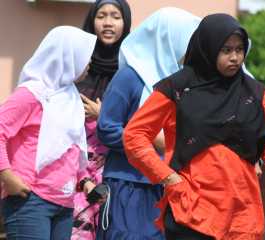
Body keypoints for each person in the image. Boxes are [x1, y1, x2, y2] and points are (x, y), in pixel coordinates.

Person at [123, 13, 265, 240]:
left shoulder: (257, 95)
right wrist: (168, 178)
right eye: (226, 50)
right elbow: (135, 134)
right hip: (190, 211)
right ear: (208, 48)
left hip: (242, 217)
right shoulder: (178, 89)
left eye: (239, 50)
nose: (235, 57)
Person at [96, 7, 201, 240]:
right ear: (168, 39)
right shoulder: (130, 76)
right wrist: (150, 142)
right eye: (186, 40)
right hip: (129, 183)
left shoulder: (176, 80)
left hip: (163, 183)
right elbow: (106, 127)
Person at [0, 26, 97, 240]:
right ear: (67, 57)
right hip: (30, 199)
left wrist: (84, 181)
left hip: (63, 204)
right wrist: (6, 175)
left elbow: (69, 147)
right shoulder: (32, 94)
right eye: (84, 56)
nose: (89, 63)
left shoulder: (70, 96)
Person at [72, 0, 131, 239]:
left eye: (116, 17)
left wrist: (103, 116)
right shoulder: (77, 70)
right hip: (74, 178)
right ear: (91, 21)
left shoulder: (131, 74)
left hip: (120, 176)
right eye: (101, 16)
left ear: (126, 24)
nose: (108, 23)